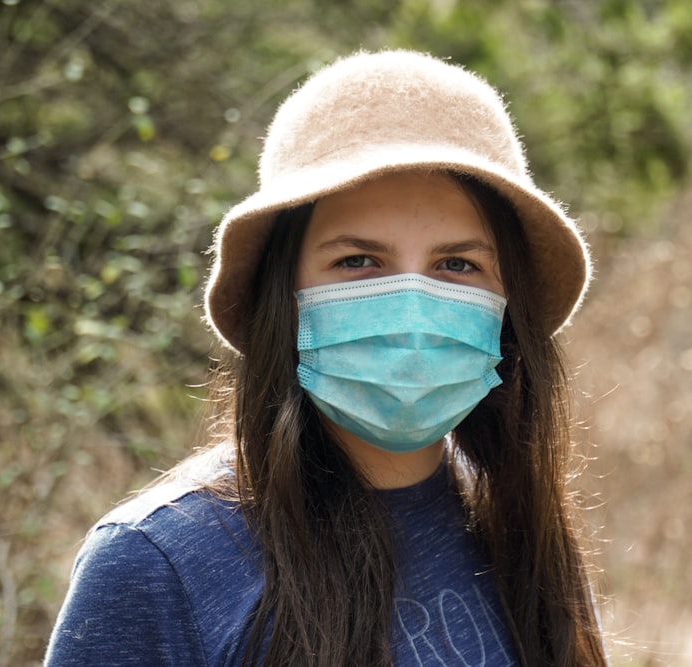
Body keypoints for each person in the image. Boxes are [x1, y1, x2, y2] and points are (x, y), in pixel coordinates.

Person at [45, 49, 607, 666]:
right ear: (282, 295)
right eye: (358, 261)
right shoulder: (156, 566)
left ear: (508, 306)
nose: (412, 306)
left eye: (457, 265)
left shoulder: (515, 529)